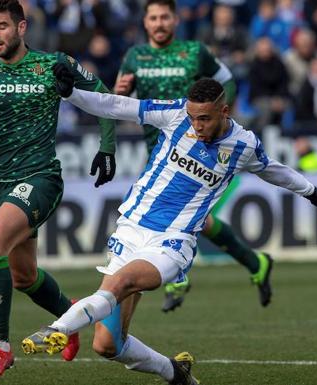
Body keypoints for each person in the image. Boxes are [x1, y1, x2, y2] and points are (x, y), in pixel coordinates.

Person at [21, 71, 317, 385]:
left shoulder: (244, 145)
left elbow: (273, 171)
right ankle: (173, 372)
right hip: (131, 231)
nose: (197, 126)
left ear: (224, 112)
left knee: (124, 281)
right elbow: (116, 105)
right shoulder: (174, 115)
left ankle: (57, 330)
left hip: (173, 242)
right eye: (192, 118)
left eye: (204, 119)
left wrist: (310, 191)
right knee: (107, 344)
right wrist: (70, 94)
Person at [0, 0, 117, 381]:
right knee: (22, 276)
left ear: (21, 27)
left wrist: (107, 146)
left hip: (39, 178)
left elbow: (104, 99)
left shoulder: (52, 64)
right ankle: (69, 314)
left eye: (2, 26)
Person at [114, 0, 271, 312]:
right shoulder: (135, 56)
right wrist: (122, 91)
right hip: (157, 149)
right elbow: (120, 100)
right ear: (145, 23)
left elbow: (226, 78)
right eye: (153, 18)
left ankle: (176, 277)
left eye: (165, 17)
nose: (159, 23)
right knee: (201, 220)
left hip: (195, 147)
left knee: (180, 214)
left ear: (176, 19)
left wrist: (223, 119)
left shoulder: (193, 52)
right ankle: (256, 262)